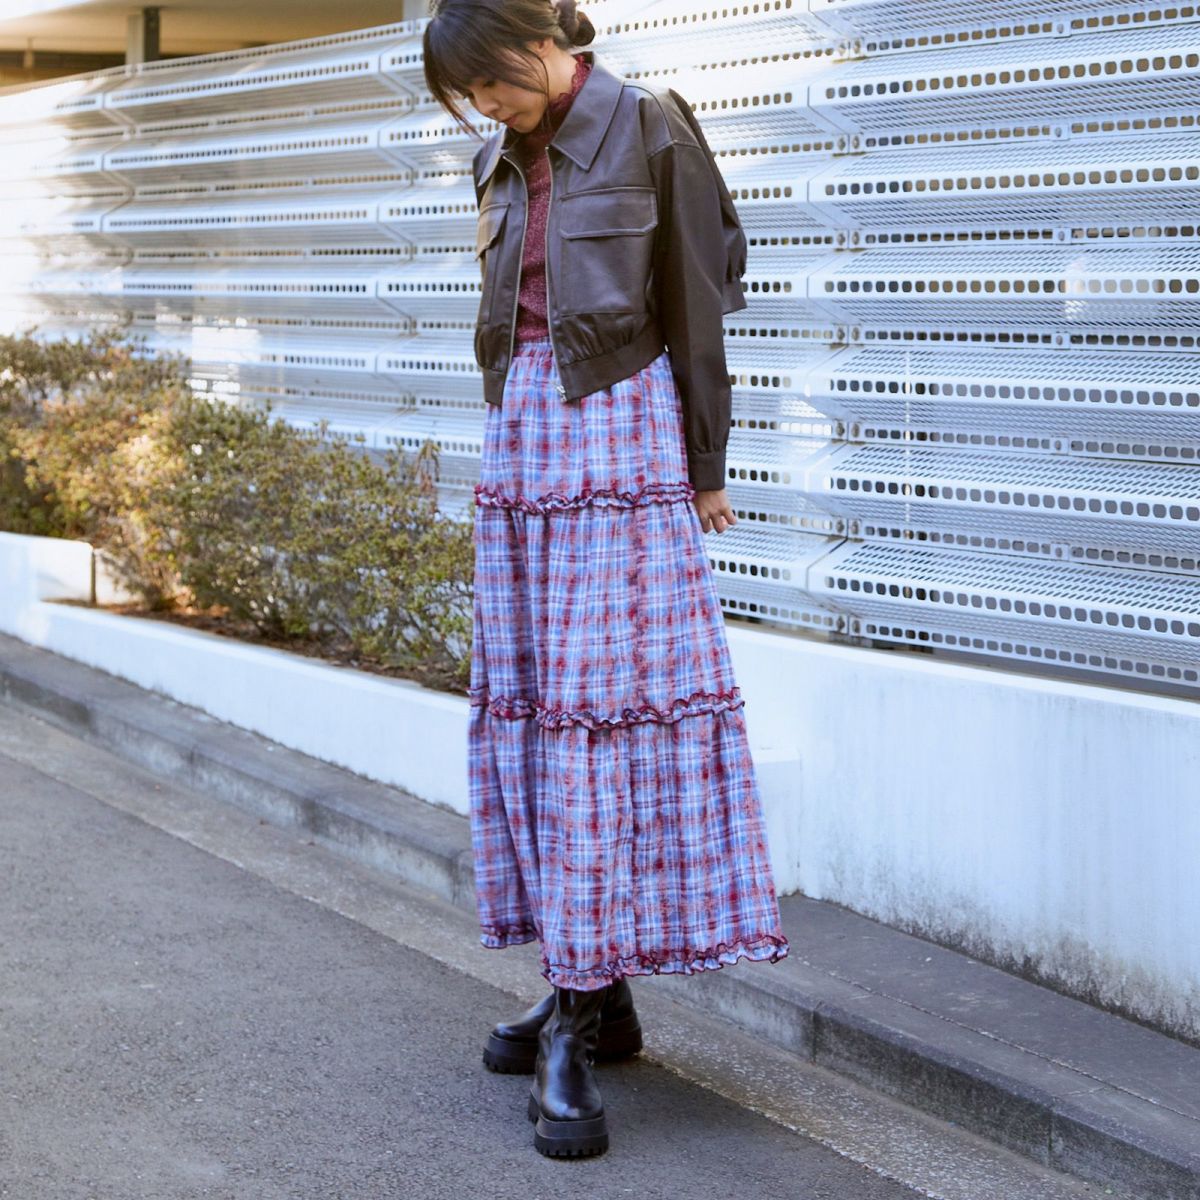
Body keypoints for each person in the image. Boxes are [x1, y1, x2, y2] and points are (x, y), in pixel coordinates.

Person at [422, 0, 789, 1159]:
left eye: (489, 81)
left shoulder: (649, 125)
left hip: (621, 435)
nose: (482, 106)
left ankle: (580, 1017)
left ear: (540, 46)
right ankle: (592, 990)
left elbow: (700, 299)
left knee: (600, 717)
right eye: (467, 95)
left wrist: (706, 465)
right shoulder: (499, 156)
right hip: (523, 440)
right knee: (538, 717)